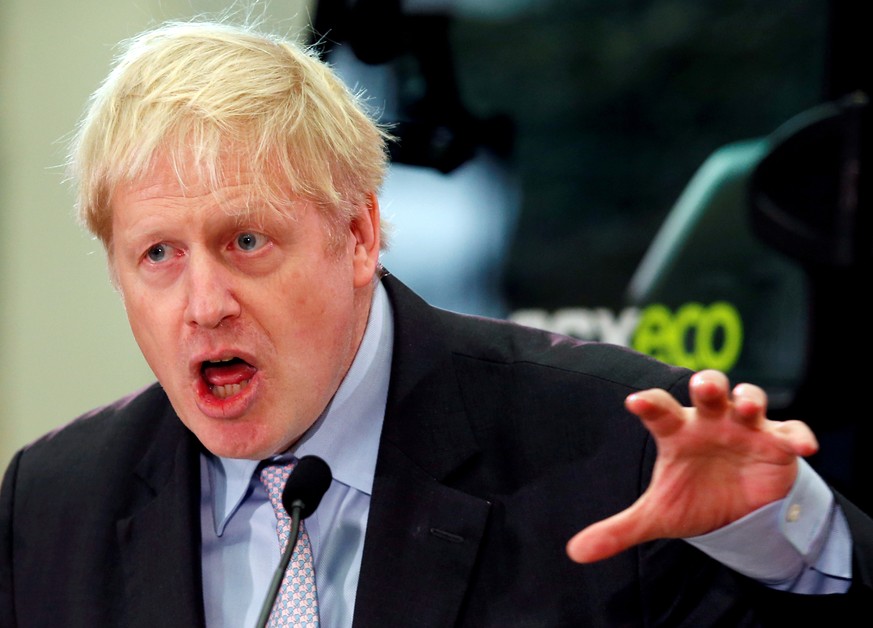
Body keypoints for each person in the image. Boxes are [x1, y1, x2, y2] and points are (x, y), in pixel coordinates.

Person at [1, 18, 871, 628]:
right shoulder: (54, 503)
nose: (204, 303)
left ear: (358, 235)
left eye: (247, 240)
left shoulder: (619, 451)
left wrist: (783, 533)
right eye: (158, 255)